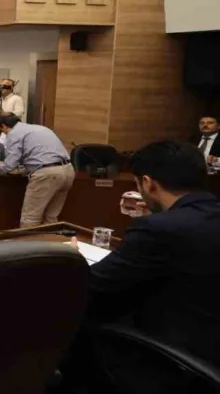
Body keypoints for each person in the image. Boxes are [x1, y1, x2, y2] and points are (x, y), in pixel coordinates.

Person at [86, 140, 220, 366]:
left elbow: (93, 285)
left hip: (174, 359)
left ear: (147, 183)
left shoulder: (158, 229)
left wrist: (70, 257)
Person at [0, 114, 73, 227]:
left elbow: (9, 165)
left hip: (47, 175)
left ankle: (28, 245)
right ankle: (50, 244)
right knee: (50, 218)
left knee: (30, 219)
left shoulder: (14, 134)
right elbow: (39, 156)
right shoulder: (40, 128)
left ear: (3, 126)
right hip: (68, 171)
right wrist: (19, 169)